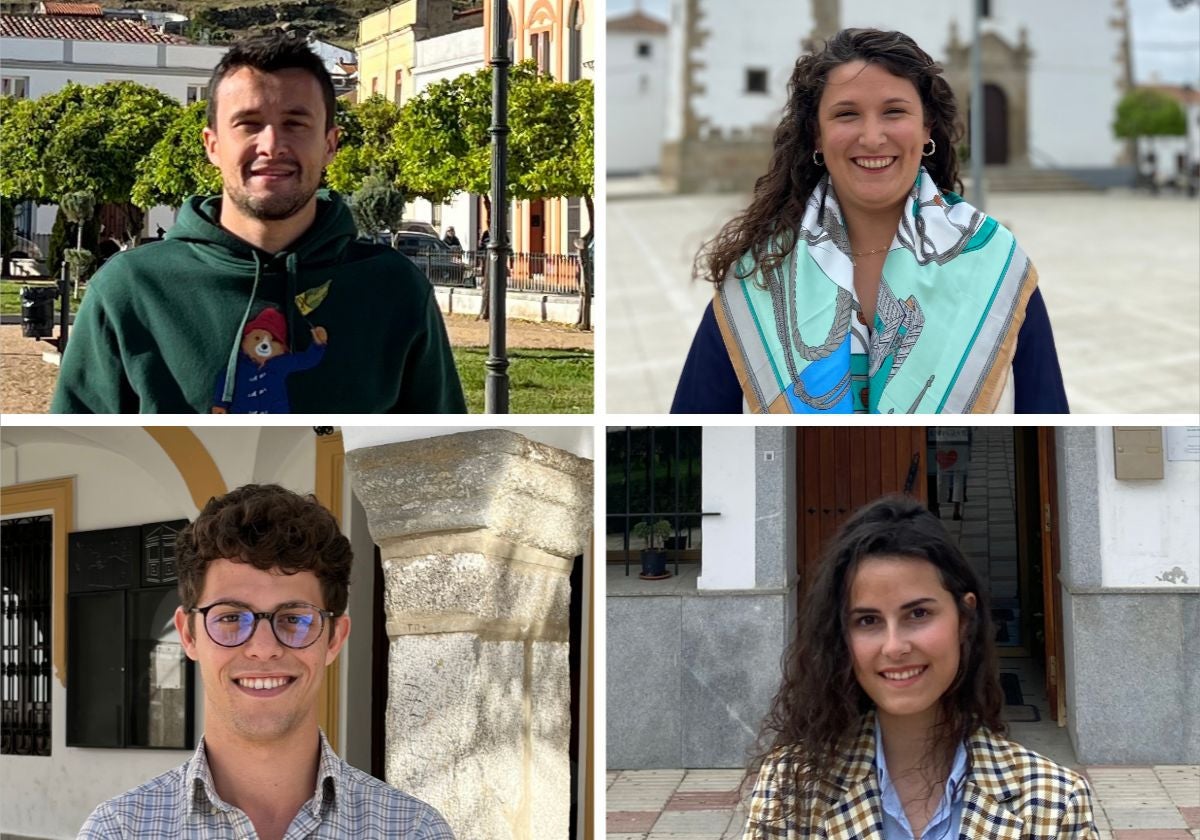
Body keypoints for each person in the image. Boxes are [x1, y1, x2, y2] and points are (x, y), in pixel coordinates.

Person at [51, 31, 465, 413]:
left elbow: (443, 460)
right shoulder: (129, 290)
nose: (272, 145)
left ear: (329, 144)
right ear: (212, 146)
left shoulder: (393, 289)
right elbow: (74, 456)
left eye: (295, 124)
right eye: (248, 124)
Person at [672, 29, 1068, 414]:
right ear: (817, 136)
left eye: (894, 112)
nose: (873, 137)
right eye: (847, 114)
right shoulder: (758, 278)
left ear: (926, 127)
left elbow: (1047, 409)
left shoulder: (995, 264)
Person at [78, 484, 455, 839]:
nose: (263, 648)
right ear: (189, 634)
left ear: (334, 638)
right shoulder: (120, 830)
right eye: (229, 618)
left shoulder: (411, 830)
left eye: (294, 618)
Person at [742, 495, 1096, 839]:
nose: (895, 647)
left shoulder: (1054, 802)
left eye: (918, 614)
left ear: (964, 620)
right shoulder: (791, 788)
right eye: (868, 620)